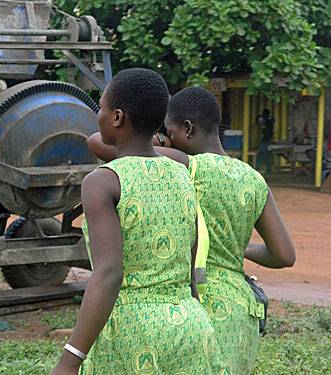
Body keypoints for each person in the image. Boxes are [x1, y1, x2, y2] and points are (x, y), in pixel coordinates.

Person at [87, 86, 296, 375]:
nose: (168, 141)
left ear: (187, 129)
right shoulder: (254, 179)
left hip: (199, 301)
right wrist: (235, 248)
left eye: (170, 134)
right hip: (241, 310)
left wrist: (153, 137)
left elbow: (99, 142)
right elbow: (284, 255)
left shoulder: (187, 166)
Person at [50, 70, 224, 375]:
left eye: (101, 107)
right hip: (192, 327)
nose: (98, 115)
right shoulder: (182, 174)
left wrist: (70, 360)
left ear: (117, 117)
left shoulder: (103, 182)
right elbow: (190, 266)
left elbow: (109, 274)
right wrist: (194, 311)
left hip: (134, 335)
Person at [255, 109, 275, 173]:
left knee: (261, 154)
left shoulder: (268, 122)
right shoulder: (269, 121)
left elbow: (265, 131)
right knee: (267, 155)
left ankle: (258, 168)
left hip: (265, 140)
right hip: (268, 140)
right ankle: (268, 169)